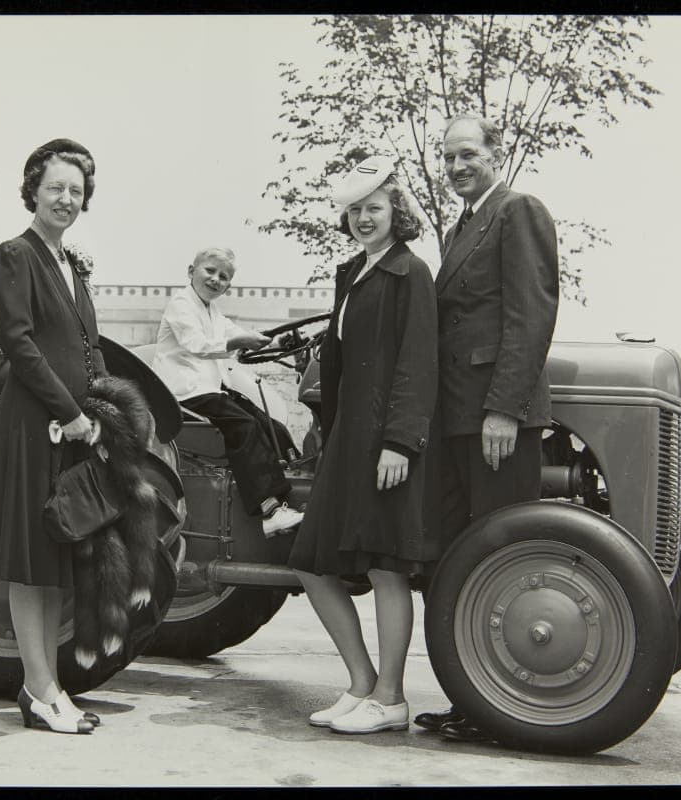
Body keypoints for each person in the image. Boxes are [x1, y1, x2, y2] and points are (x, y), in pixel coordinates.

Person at [413, 113, 560, 742]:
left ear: (496, 153)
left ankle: (505, 707)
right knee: (457, 562)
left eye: (467, 154)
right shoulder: (462, 225)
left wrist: (503, 407)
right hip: (456, 421)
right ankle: (472, 699)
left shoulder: (517, 209)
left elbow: (531, 313)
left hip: (493, 420)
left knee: (498, 563)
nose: (456, 167)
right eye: (448, 158)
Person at [286, 155, 438, 734]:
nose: (364, 219)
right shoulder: (352, 272)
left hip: (387, 447)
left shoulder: (410, 272)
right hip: (348, 443)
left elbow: (416, 363)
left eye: (374, 208)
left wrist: (400, 442)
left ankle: (392, 698)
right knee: (310, 562)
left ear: (397, 213)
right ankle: (360, 683)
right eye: (354, 211)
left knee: (385, 571)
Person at [0, 138, 107, 735]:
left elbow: (90, 348)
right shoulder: (14, 255)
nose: (66, 199)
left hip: (74, 430)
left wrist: (100, 408)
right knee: (31, 564)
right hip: (34, 428)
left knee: (53, 561)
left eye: (76, 191)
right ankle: (39, 688)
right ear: (34, 189)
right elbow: (19, 344)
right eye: (55, 187)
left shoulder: (73, 265)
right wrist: (68, 411)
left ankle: (47, 687)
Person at [150, 246, 304, 536]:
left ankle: (292, 494)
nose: (215, 280)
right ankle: (269, 510)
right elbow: (198, 345)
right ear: (191, 271)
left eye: (224, 276)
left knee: (272, 426)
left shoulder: (214, 312)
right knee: (244, 426)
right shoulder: (181, 304)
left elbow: (238, 334)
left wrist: (277, 342)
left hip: (209, 391)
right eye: (210, 271)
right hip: (183, 393)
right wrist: (239, 341)